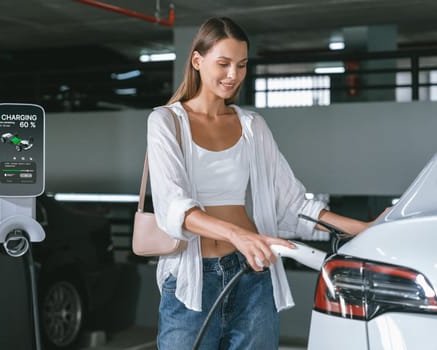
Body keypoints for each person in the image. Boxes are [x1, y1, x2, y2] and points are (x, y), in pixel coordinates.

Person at [146, 17, 376, 349]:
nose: (233, 75)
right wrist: (237, 234)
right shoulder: (165, 121)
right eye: (223, 64)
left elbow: (294, 205)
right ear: (197, 61)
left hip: (251, 273)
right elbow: (174, 207)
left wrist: (364, 228)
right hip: (193, 280)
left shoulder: (252, 125)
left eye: (241, 65)